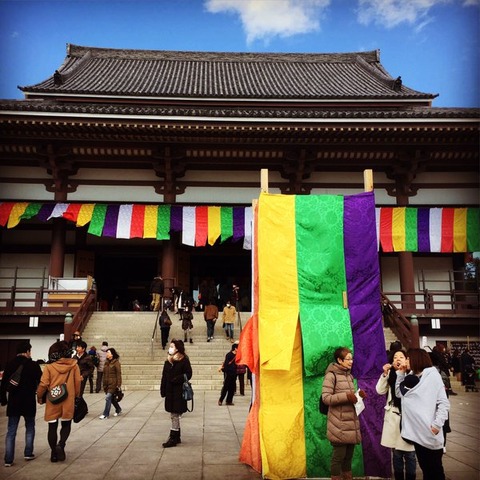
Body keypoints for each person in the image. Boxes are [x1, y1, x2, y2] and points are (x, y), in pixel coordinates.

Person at [395, 348, 450, 480]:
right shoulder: (411, 377)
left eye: (408, 358)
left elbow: (443, 403)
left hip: (430, 433)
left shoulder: (432, 376)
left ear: (416, 359)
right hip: (417, 433)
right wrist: (401, 374)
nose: (406, 361)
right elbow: (399, 394)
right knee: (426, 469)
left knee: (435, 471)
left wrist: (437, 425)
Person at [321, 346, 366, 480]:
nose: (351, 361)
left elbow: (351, 397)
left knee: (348, 458)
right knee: (338, 457)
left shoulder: (349, 376)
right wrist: (346, 396)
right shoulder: (331, 375)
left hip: (350, 423)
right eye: (348, 359)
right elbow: (326, 398)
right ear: (339, 360)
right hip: (338, 424)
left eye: (351, 359)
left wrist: (359, 396)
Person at [36, 340, 82, 463]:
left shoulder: (49, 367)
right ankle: (61, 445)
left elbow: (44, 383)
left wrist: (39, 396)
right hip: (68, 400)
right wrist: (76, 396)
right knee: (66, 425)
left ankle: (53, 453)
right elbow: (78, 382)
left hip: (53, 400)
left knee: (52, 427)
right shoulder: (74, 365)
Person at [376, 349, 416, 480]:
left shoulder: (412, 373)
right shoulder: (390, 374)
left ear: (406, 360)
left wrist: (404, 373)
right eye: (395, 357)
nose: (398, 359)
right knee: (397, 454)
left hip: (409, 417)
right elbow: (380, 390)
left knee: (410, 454)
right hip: (394, 415)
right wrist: (385, 374)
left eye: (401, 356)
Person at [1, 341, 42, 467]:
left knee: (11, 430)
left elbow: (3, 384)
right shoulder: (33, 365)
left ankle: (8, 459)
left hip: (14, 402)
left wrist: (3, 399)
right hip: (28, 401)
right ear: (27, 351)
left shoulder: (10, 364)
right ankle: (28, 453)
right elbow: (41, 381)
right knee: (30, 427)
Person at [160, 339, 193, 448]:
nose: (170, 348)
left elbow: (188, 374)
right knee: (173, 414)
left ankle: (173, 437)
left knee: (174, 414)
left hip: (179, 392)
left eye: (172, 346)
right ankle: (177, 436)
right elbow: (164, 376)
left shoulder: (184, 360)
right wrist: (163, 389)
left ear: (177, 348)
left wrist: (177, 379)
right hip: (169, 391)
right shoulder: (168, 360)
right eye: (170, 346)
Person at [99, 347, 122, 419]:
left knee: (108, 397)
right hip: (106, 383)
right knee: (111, 398)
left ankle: (105, 414)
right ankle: (118, 409)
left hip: (113, 383)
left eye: (108, 352)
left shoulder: (116, 363)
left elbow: (118, 374)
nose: (107, 354)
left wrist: (119, 384)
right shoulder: (106, 363)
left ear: (112, 354)